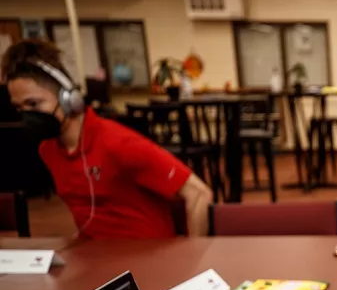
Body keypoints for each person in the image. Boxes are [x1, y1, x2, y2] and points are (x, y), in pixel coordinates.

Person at [1, 39, 213, 238]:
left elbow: (198, 193)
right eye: (20, 108)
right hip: (97, 263)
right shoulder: (48, 150)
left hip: (150, 263)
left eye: (34, 104)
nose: (28, 116)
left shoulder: (118, 143)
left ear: (69, 99)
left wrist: (196, 268)